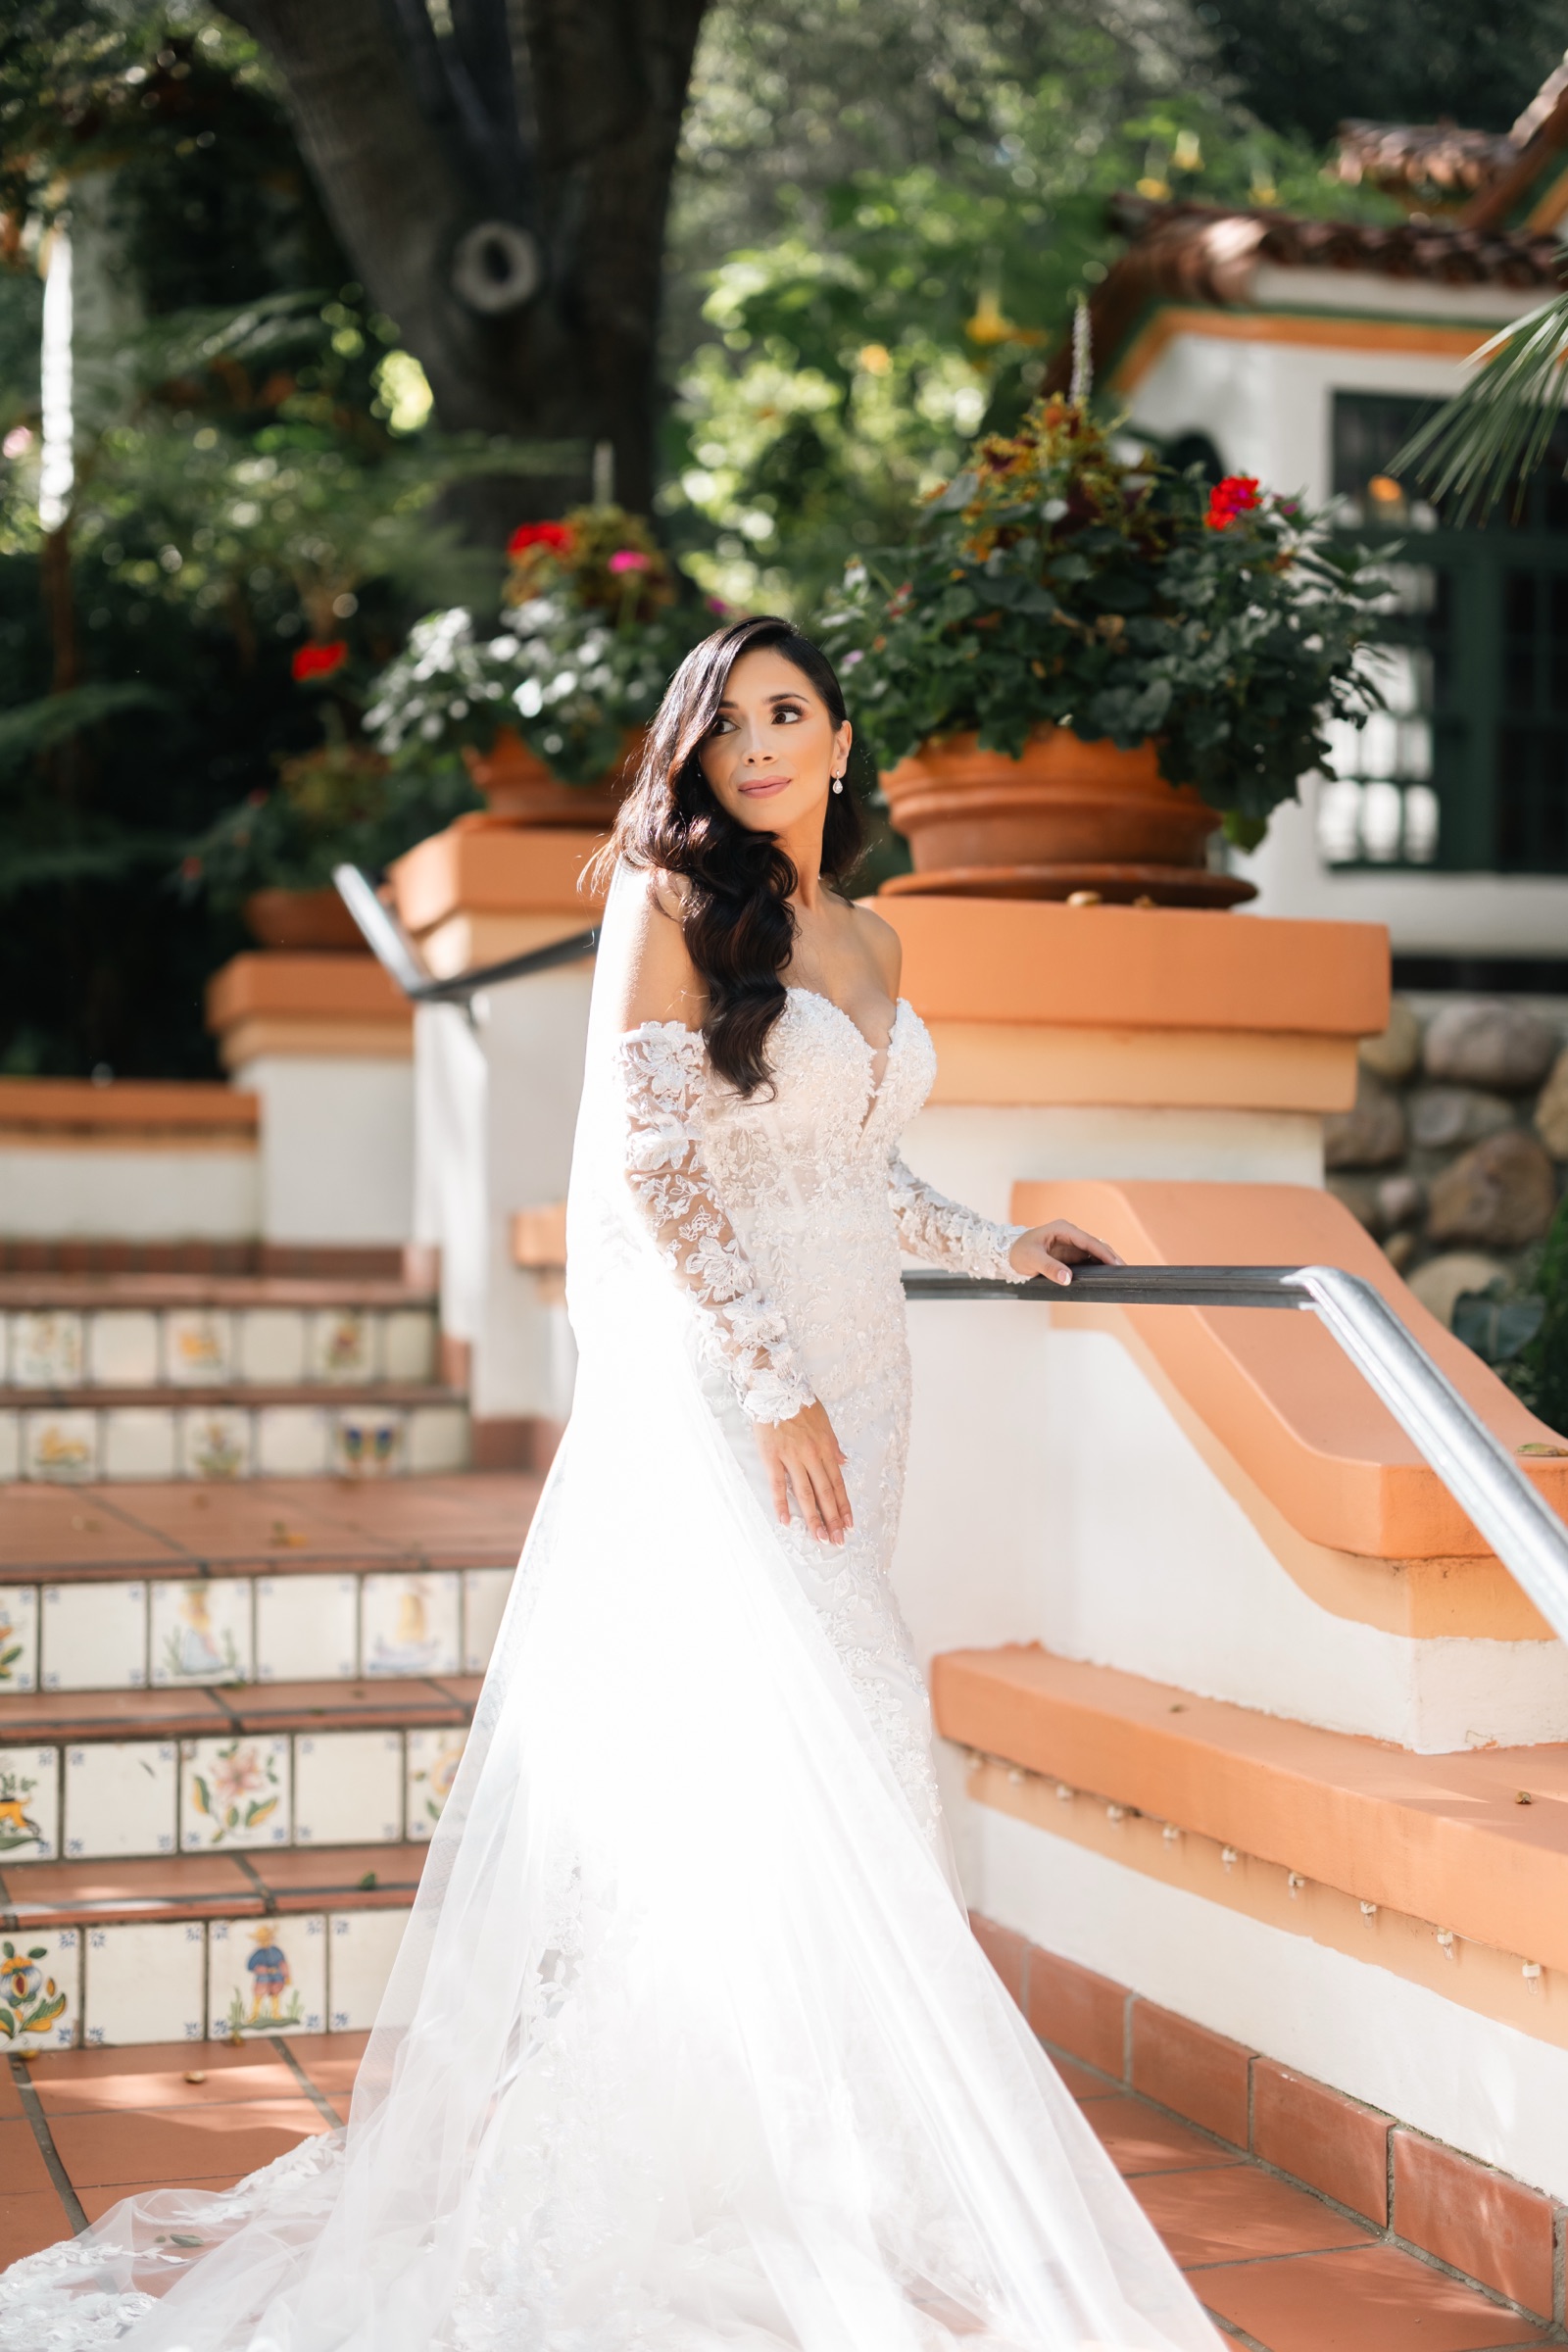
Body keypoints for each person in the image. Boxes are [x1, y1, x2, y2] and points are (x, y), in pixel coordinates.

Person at [0, 616, 1221, 2351]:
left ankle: (794, 2149)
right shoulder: (672, 905)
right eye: (728, 727)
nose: (762, 747)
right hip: (750, 1408)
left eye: (790, 714)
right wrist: (775, 1387)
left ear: (845, 740)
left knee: (816, 1780)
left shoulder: (871, 934)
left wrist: (999, 1238)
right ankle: (665, 2176)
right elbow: (658, 1163)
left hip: (875, 1402)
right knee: (852, 1739)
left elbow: (852, 1168)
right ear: (701, 760)